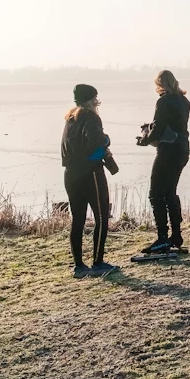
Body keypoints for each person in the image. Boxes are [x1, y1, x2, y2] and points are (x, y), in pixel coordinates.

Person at [60, 84, 117, 277]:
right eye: (96, 98)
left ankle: (79, 266)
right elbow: (95, 144)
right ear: (92, 100)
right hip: (90, 172)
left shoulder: (70, 118)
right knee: (101, 217)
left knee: (78, 219)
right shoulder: (91, 117)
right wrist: (106, 142)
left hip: (70, 174)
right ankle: (98, 262)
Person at [137, 69, 190, 254]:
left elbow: (159, 127)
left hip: (168, 151)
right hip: (183, 150)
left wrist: (145, 139)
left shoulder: (163, 101)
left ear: (160, 84)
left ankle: (162, 238)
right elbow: (174, 125)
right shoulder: (184, 101)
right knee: (170, 193)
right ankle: (176, 235)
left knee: (155, 194)